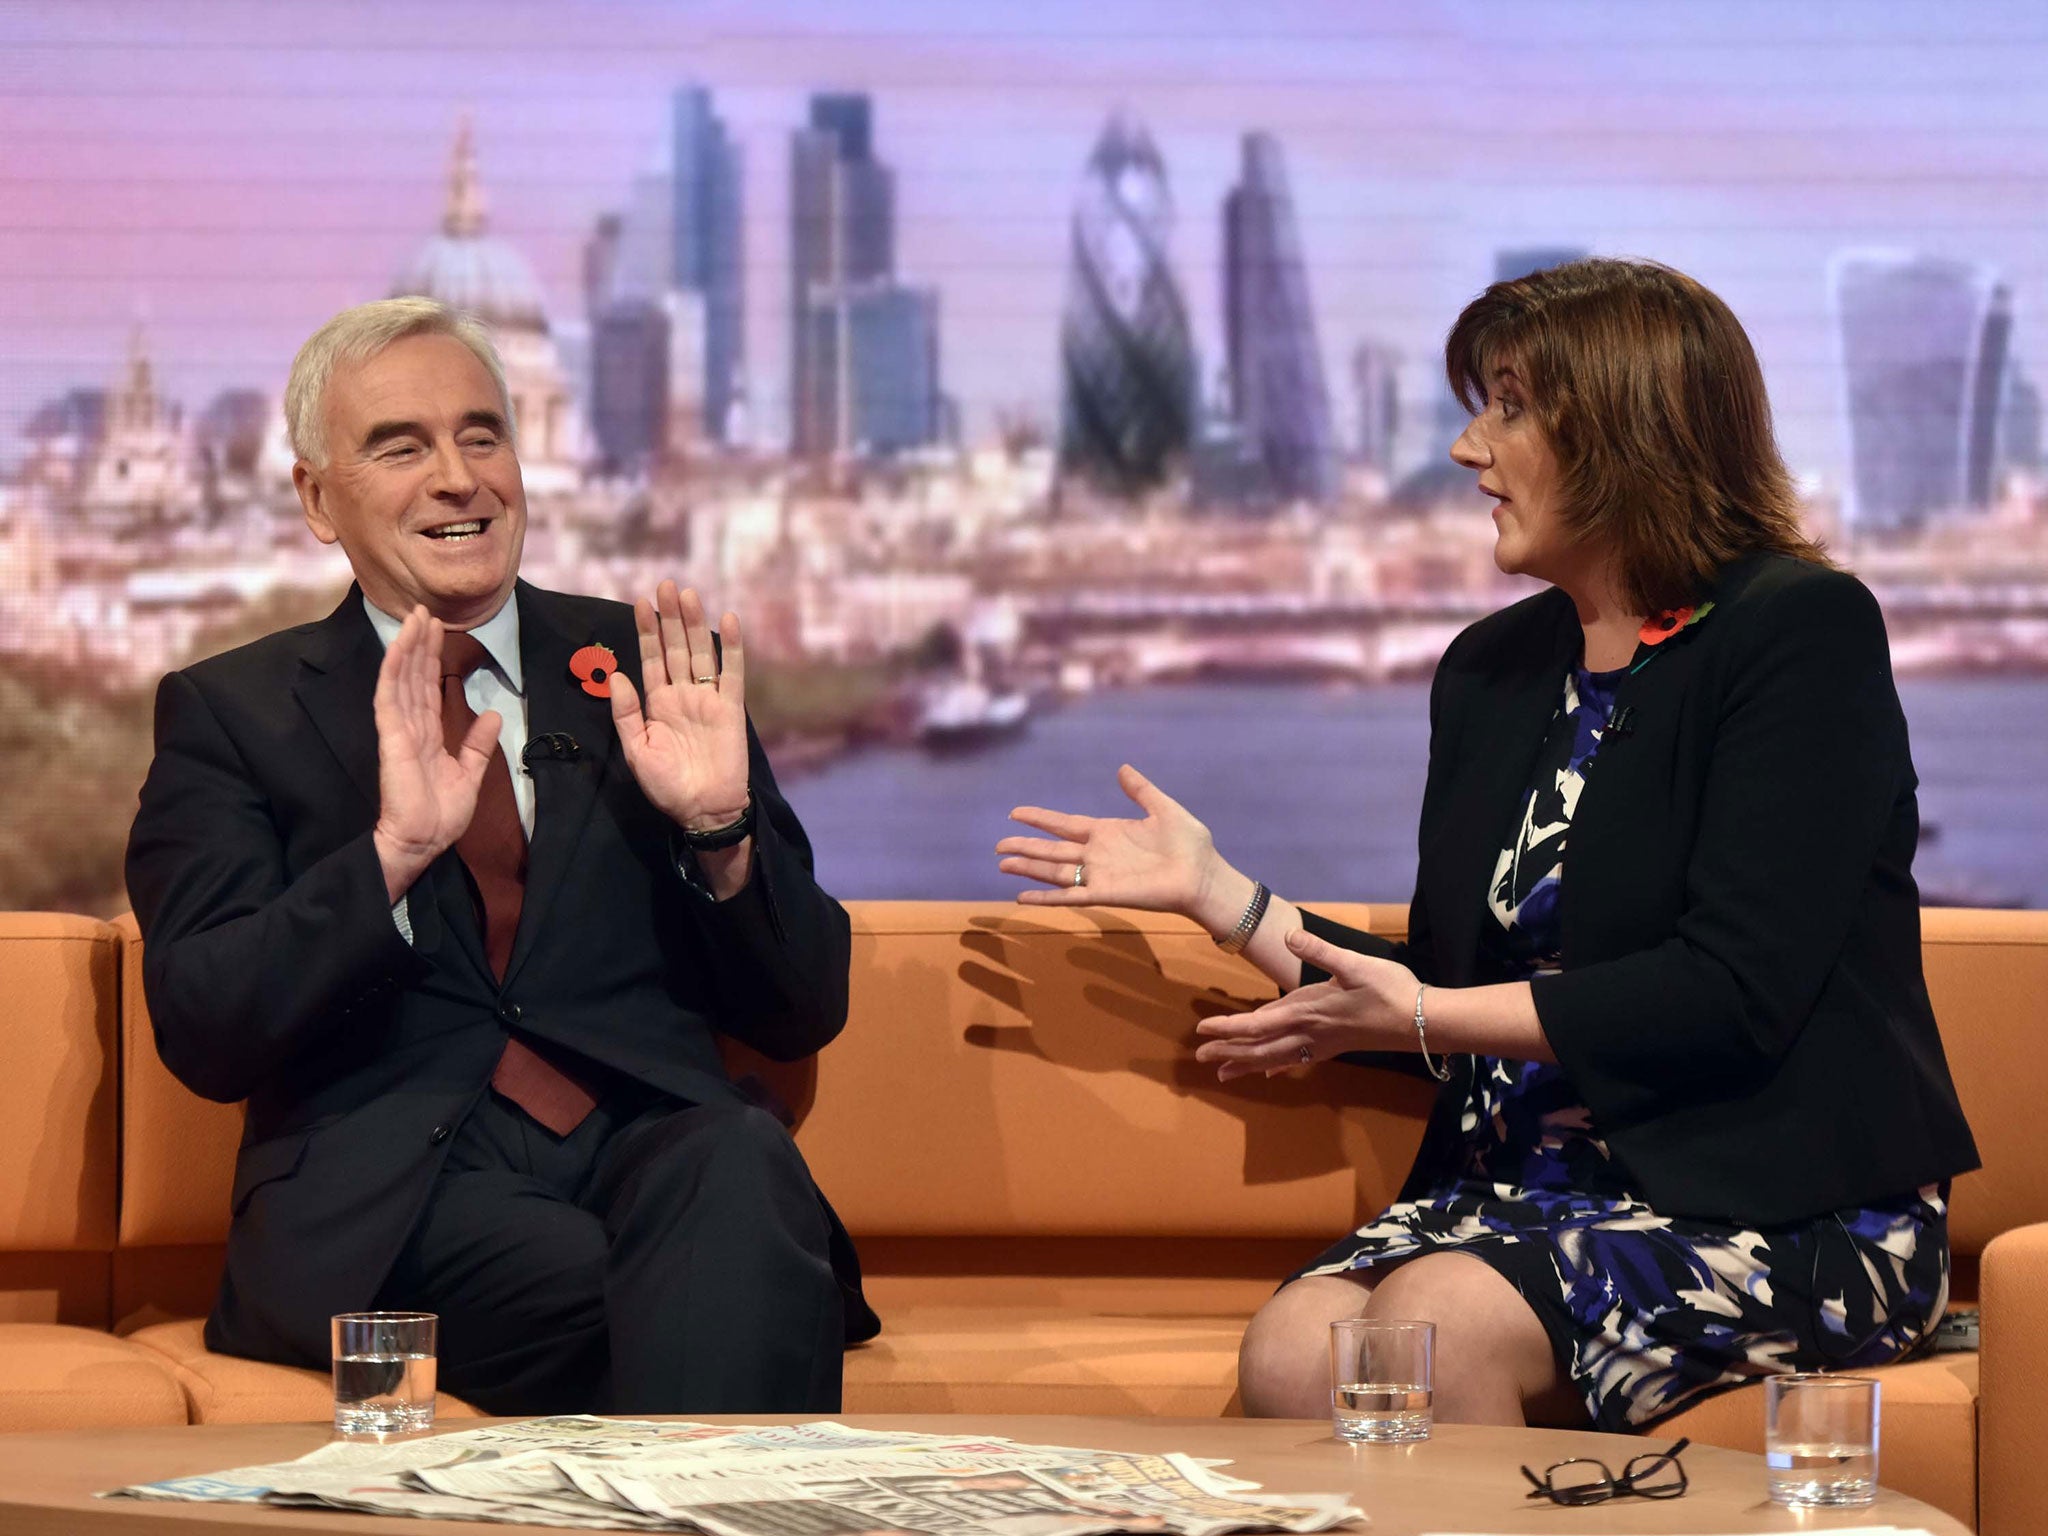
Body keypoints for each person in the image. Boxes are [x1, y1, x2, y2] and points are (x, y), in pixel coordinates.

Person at [997, 258, 1979, 1432]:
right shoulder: (1492, 670)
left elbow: (1731, 990)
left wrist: (1423, 1013)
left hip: (1783, 1205)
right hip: (1521, 1197)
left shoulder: (1796, 633)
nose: (1470, 448)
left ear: (1626, 427)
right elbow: (1448, 994)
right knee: (1291, 1349)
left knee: (1444, 1322)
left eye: (1509, 406)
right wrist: (1226, 900)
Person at [126, 297, 875, 1415]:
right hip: (397, 1200)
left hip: (645, 1156)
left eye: (483, 435)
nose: (458, 477)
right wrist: (388, 856)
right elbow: (204, 1023)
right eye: (401, 447)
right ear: (318, 499)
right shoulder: (235, 713)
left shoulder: (644, 668)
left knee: (738, 1159)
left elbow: (801, 1008)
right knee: (710, 1296)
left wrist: (720, 832)